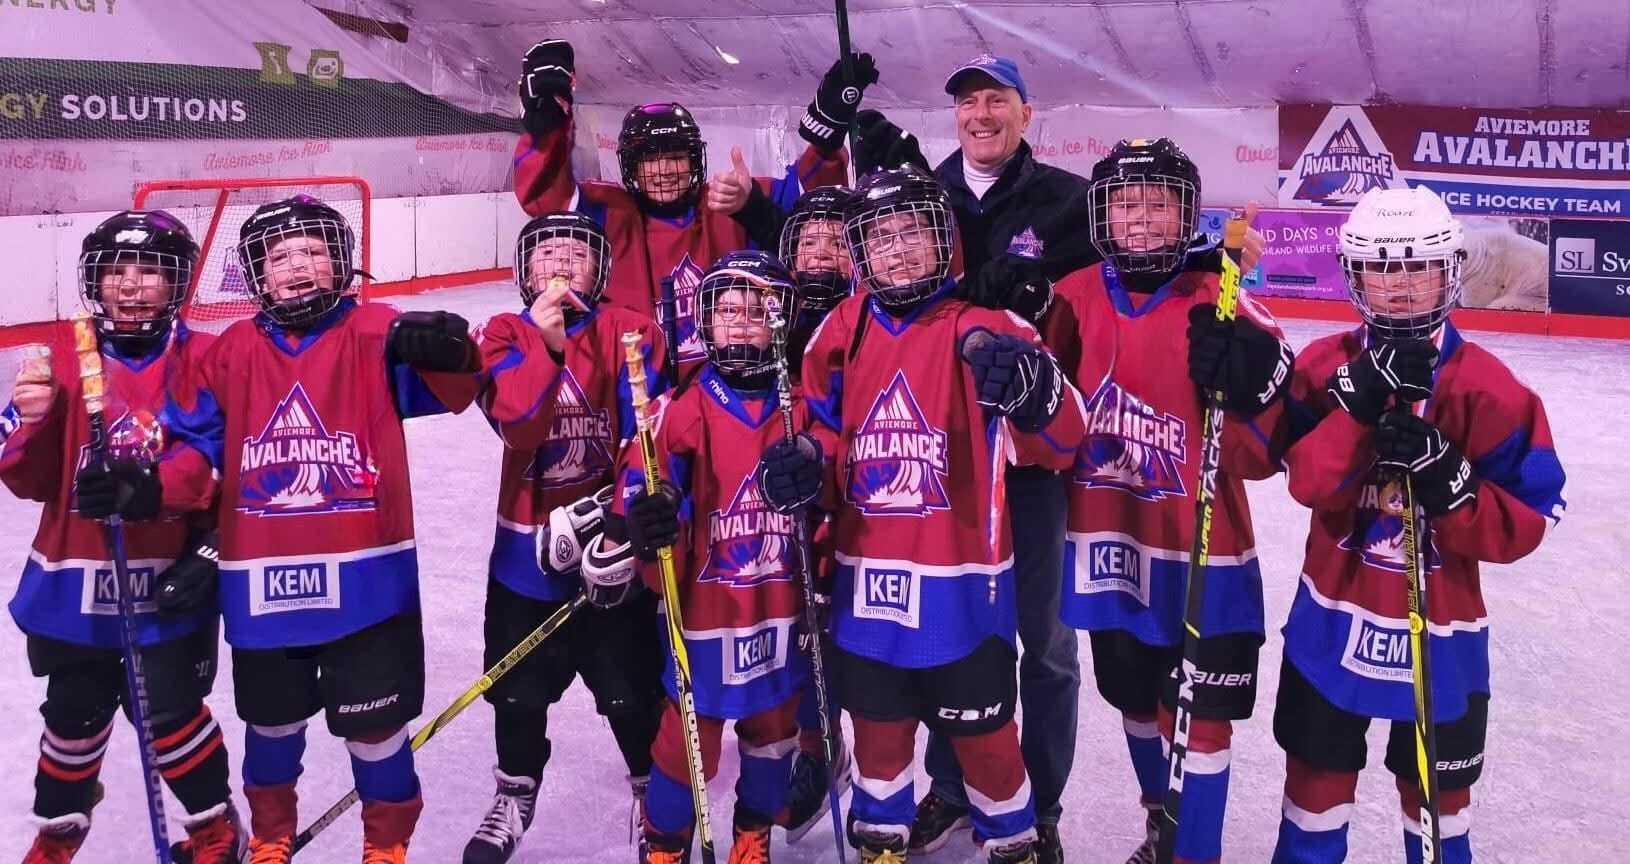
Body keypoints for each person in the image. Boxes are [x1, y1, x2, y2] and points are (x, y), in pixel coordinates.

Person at [79, 195, 483, 864]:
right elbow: (199, 449)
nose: (299, 263)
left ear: (342, 263)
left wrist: (450, 349)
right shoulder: (230, 352)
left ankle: (386, 848)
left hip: (368, 586)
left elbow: (461, 389)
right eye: (281, 254)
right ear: (257, 276)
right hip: (262, 587)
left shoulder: (375, 331)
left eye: (314, 250)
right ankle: (269, 839)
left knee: (378, 729)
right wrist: (147, 487)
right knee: (270, 726)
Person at [758, 166, 1087, 864]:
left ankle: (1016, 843)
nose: (900, 249)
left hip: (964, 596)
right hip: (866, 589)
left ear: (946, 242)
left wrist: (1035, 395)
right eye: (882, 236)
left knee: (990, 747)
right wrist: (805, 465)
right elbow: (819, 429)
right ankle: (883, 845)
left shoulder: (988, 328)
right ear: (860, 252)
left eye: (914, 232)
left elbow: (1066, 439)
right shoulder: (840, 331)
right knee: (879, 741)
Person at [1270, 186, 1566, 864]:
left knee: (1438, 814)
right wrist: (1354, 413)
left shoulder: (1490, 389)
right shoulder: (1325, 367)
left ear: (1449, 269)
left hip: (1443, 638)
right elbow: (1307, 483)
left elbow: (1531, 516)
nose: (1399, 286)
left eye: (1416, 266)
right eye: (1382, 267)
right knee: (1312, 801)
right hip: (1330, 624)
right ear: (1355, 275)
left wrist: (1454, 486)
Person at [1045, 138, 1293, 864]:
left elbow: (1268, 454)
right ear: (1103, 215)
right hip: (1107, 547)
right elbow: (1044, 424)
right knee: (1133, 700)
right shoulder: (1075, 295)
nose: (1143, 218)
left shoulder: (1225, 299)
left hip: (1202, 557)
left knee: (1203, 721)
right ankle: (1161, 819)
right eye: (1127, 203)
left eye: (1160, 202)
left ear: (1187, 215)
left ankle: (1197, 854)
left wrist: (1250, 389)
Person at [7, 211, 242, 863]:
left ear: (178, 282)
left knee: (168, 710)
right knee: (73, 714)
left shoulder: (202, 358)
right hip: (74, 579)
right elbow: (26, 479)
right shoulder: (61, 353)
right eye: (116, 270)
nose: (131, 285)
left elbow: (214, 455)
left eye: (149, 271)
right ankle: (59, 830)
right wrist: (30, 425)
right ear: (96, 280)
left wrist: (150, 489)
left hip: (164, 574)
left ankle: (214, 825)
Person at [586, 252, 811, 864]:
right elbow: (643, 483)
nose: (741, 324)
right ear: (705, 323)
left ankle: (752, 832)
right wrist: (653, 516)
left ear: (781, 320)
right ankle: (664, 840)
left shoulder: (802, 407)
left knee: (772, 733)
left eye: (756, 311)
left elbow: (834, 487)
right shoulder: (679, 408)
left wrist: (818, 471)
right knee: (687, 743)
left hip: (779, 607)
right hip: (708, 613)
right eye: (727, 311)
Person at [462, 212, 668, 864]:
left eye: (575, 254)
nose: (559, 265)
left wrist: (617, 519)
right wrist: (547, 347)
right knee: (516, 688)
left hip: (611, 545)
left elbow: (651, 436)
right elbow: (519, 425)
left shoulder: (634, 330)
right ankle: (515, 792)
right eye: (545, 252)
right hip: (524, 556)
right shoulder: (500, 334)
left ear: (600, 269)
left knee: (630, 690)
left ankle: (649, 792)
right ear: (523, 271)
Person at [510, 38, 861, 378]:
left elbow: (813, 206)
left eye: (676, 157)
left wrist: (825, 137)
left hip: (727, 386)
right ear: (630, 167)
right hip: (633, 389)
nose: (663, 171)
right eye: (650, 160)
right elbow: (546, 198)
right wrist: (548, 128)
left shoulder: (727, 200)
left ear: (695, 160)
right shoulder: (609, 211)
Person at [771, 186, 856, 843]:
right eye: (809, 239)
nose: (821, 250)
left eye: (837, 238)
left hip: (870, 497)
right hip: (791, 496)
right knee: (802, 633)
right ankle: (817, 748)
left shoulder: (879, 310)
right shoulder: (769, 313)